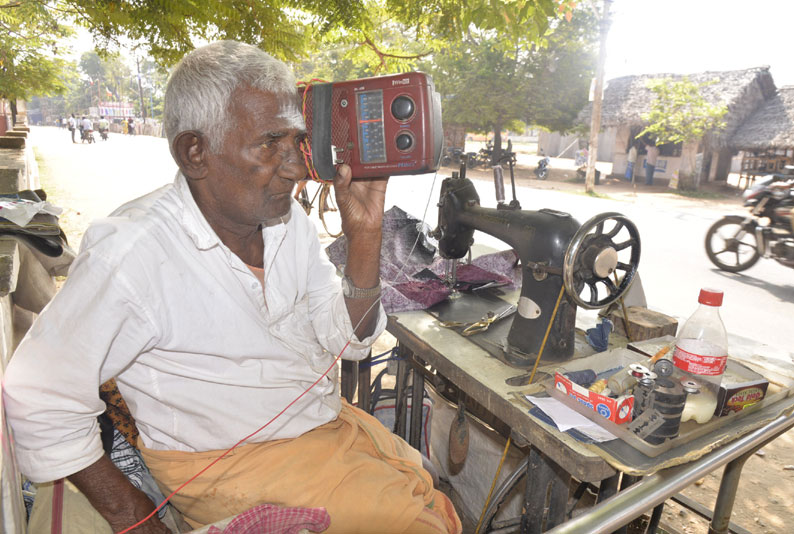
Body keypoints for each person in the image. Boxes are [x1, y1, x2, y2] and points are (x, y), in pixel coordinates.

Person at [4, 40, 461, 534]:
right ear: (194, 152)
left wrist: (365, 236)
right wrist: (136, 518)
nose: (294, 167)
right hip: (229, 466)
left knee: (427, 491)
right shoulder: (134, 251)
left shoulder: (288, 225)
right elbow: (38, 394)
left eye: (297, 141)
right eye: (269, 143)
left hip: (324, 428)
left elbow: (347, 342)